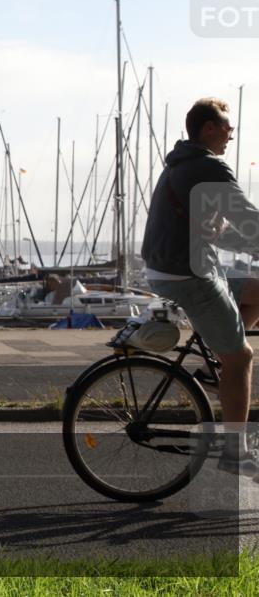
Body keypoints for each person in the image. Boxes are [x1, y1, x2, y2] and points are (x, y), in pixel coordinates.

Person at [142, 97, 258, 476]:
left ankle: (216, 372)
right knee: (242, 358)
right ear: (208, 128)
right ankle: (235, 453)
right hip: (188, 275)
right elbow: (247, 219)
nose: (231, 134)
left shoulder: (181, 164)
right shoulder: (207, 166)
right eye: (227, 127)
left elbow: (220, 231)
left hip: (174, 266)